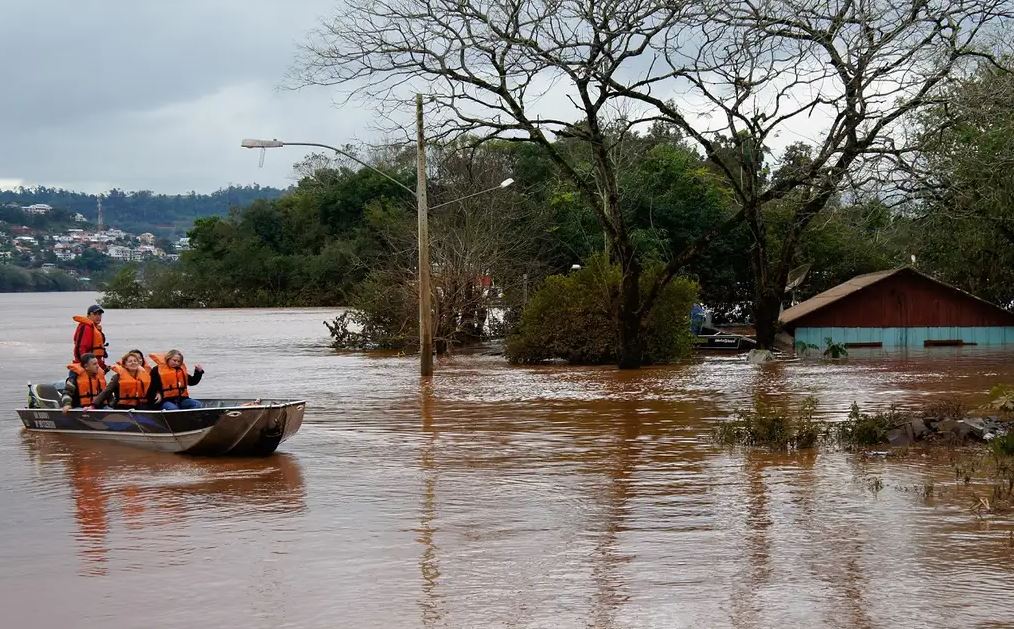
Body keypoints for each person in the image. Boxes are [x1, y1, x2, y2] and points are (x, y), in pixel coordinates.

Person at [73, 305, 109, 372]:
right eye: (95, 314)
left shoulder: (95, 328)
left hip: (95, 365)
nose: (98, 317)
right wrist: (84, 365)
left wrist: (103, 365)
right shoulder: (86, 327)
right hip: (87, 366)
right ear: (89, 315)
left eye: (100, 314)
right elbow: (81, 348)